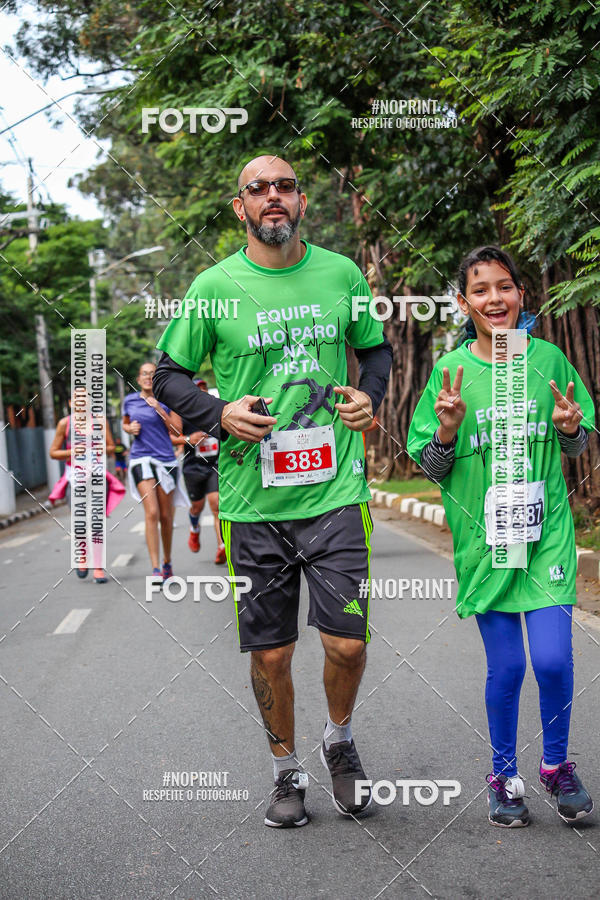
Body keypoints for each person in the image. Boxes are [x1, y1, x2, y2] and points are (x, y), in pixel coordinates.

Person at [153, 155, 392, 828]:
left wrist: (368, 398)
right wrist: (218, 411)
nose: (273, 197)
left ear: (302, 201)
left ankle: (339, 740)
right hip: (254, 502)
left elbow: (375, 352)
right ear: (242, 208)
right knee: (273, 652)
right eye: (258, 189)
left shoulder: (341, 274)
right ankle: (286, 771)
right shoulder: (213, 287)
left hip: (337, 492)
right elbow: (168, 376)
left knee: (346, 643)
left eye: (284, 186)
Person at [407, 245, 595, 828]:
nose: (496, 299)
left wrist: (569, 431)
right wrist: (445, 429)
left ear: (521, 295)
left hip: (548, 539)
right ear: (464, 302)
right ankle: (503, 774)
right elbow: (431, 468)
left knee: (555, 660)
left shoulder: (549, 360)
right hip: (484, 544)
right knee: (509, 667)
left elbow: (577, 441)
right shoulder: (450, 372)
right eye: (481, 290)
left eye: (505, 287)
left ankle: (556, 766)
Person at [49, 389, 126, 582]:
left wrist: (99, 448)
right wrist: (73, 451)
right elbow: (53, 452)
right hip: (75, 479)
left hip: (98, 477)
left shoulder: (100, 421)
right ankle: (82, 557)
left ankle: (98, 567)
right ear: (71, 402)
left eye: (85, 398)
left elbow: (111, 447)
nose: (81, 401)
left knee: (97, 523)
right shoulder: (64, 424)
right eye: (77, 398)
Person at [122, 361, 188, 580]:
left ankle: (167, 561)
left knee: (166, 516)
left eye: (152, 373)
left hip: (166, 461)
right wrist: (128, 428)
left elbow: (177, 430)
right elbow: (126, 423)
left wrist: (158, 408)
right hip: (140, 459)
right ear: (139, 379)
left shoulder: (167, 400)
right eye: (144, 373)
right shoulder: (129, 400)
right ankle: (155, 568)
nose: (148, 377)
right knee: (151, 512)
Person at [179, 378, 226, 564]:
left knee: (216, 505)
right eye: (198, 389)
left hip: (214, 464)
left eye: (204, 389)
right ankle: (194, 528)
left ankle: (221, 546)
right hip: (193, 466)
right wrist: (190, 438)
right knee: (197, 507)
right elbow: (171, 437)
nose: (202, 392)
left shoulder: (216, 412)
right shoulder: (183, 413)